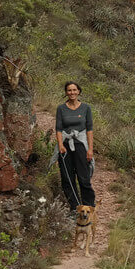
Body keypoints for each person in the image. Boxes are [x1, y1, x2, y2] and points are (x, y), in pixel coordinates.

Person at [55, 81, 95, 210]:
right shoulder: (61, 108)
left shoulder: (86, 108)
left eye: (74, 90)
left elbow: (89, 129)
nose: (72, 93)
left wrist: (90, 149)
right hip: (66, 146)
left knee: (84, 177)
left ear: (78, 91)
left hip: (81, 145)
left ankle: (89, 207)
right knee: (67, 178)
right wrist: (60, 145)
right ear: (66, 92)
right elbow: (59, 129)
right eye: (69, 90)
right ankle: (75, 207)